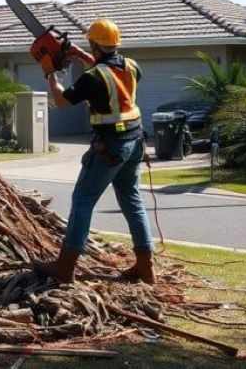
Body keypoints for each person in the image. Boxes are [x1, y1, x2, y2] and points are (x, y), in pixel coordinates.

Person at [32, 18, 155, 284]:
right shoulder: (132, 66)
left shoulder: (92, 77)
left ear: (94, 44)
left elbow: (61, 101)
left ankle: (64, 268)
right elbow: (109, 71)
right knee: (132, 202)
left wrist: (49, 72)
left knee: (82, 200)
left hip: (110, 146)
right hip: (135, 141)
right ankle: (146, 268)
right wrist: (78, 55)